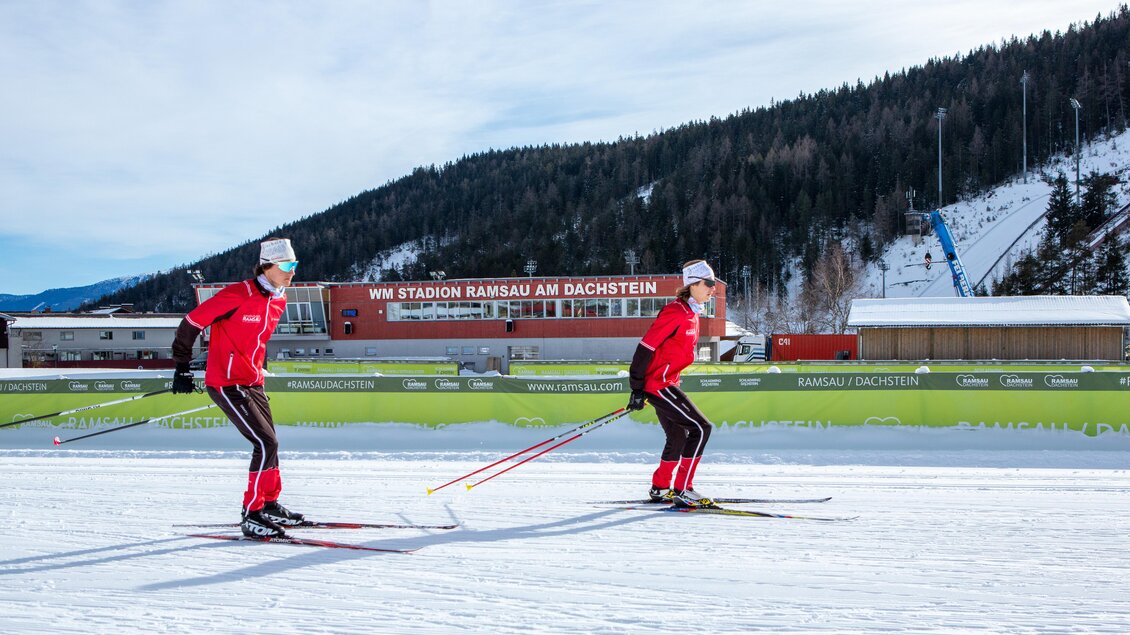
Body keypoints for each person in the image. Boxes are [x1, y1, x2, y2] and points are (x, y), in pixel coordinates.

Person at [170, 238, 304, 537]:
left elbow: (254, 341)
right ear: (267, 266)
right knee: (264, 443)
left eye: (294, 265)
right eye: (286, 266)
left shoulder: (278, 298)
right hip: (226, 382)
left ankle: (269, 504)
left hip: (253, 381)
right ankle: (252, 513)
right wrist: (182, 366)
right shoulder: (237, 294)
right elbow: (191, 322)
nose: (291, 272)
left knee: (272, 443)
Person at [626, 260, 718, 508]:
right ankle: (683, 489)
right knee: (701, 428)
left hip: (667, 382)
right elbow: (645, 348)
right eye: (708, 283)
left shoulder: (692, 313)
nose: (713, 289)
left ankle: (660, 487)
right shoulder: (675, 312)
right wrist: (636, 387)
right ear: (693, 284)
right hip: (658, 383)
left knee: (677, 435)